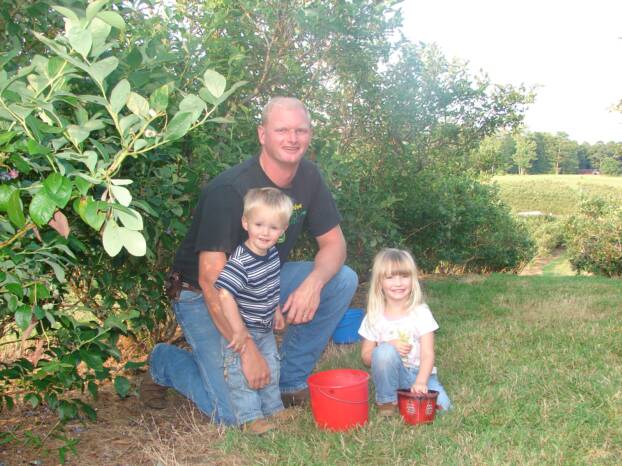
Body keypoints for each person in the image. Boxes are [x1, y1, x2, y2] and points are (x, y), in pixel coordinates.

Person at [141, 97, 358, 425]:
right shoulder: (229, 190)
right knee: (233, 413)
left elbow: (335, 244)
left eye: (300, 130)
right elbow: (210, 279)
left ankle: (287, 381)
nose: (292, 138)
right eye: (282, 129)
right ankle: (165, 362)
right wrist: (248, 350)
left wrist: (313, 284)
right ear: (262, 134)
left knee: (341, 279)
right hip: (203, 294)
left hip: (261, 281)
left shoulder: (309, 177)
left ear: (310, 135)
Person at [215, 187, 292, 434]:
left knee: (271, 365)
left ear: (283, 231)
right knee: (240, 375)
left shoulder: (271, 254)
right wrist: (238, 331)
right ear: (245, 223)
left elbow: (271, 285)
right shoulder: (241, 261)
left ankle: (273, 409)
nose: (265, 232)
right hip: (245, 330)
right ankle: (250, 417)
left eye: (273, 227)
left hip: (264, 328)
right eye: (259, 224)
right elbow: (225, 293)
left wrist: (276, 310)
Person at [358, 248, 451, 416]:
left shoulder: (421, 312)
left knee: (443, 408)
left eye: (404, 276)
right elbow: (365, 357)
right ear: (379, 282)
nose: (398, 283)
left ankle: (407, 398)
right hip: (393, 376)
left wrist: (421, 382)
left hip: (421, 373)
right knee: (384, 352)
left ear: (413, 280)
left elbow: (428, 354)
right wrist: (387, 345)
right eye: (390, 277)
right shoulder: (373, 317)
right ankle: (387, 402)